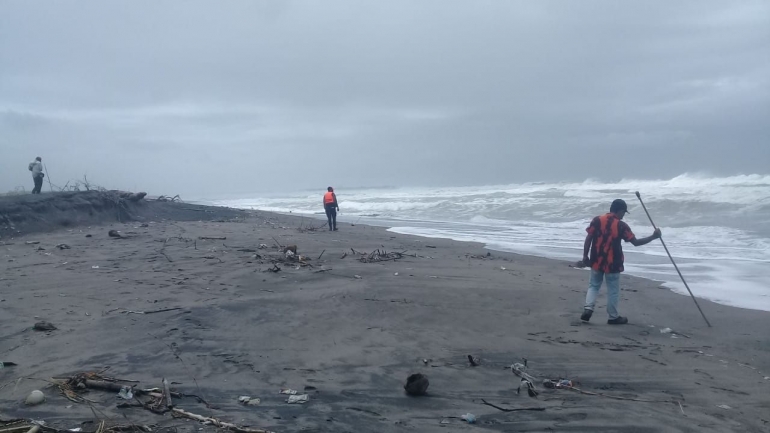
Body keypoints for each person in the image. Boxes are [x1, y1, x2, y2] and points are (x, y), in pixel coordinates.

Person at [580, 199, 661, 325]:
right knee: (613, 290)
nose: (623, 215)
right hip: (613, 262)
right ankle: (613, 317)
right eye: (623, 212)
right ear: (620, 211)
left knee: (594, 285)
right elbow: (636, 242)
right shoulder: (621, 226)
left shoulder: (597, 220)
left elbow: (589, 237)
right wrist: (653, 237)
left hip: (596, 259)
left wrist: (585, 256)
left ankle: (588, 309)